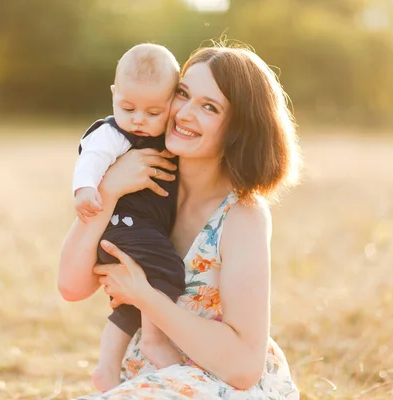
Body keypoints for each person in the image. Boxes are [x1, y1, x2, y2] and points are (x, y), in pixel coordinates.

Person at [59, 42, 301, 399]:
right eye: (183, 93)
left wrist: (144, 295)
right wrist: (108, 191)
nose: (185, 113)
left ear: (239, 129)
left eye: (209, 107)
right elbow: (71, 287)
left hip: (217, 384)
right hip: (149, 380)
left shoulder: (242, 216)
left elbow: (244, 367)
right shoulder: (134, 182)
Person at [72, 43, 187, 392]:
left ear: (172, 102)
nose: (139, 120)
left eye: (154, 112)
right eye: (128, 107)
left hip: (138, 230)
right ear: (114, 94)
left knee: (132, 304)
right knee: (167, 271)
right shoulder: (113, 133)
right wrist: (85, 189)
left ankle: (106, 367)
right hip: (125, 229)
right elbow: (91, 158)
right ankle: (154, 341)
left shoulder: (168, 137)